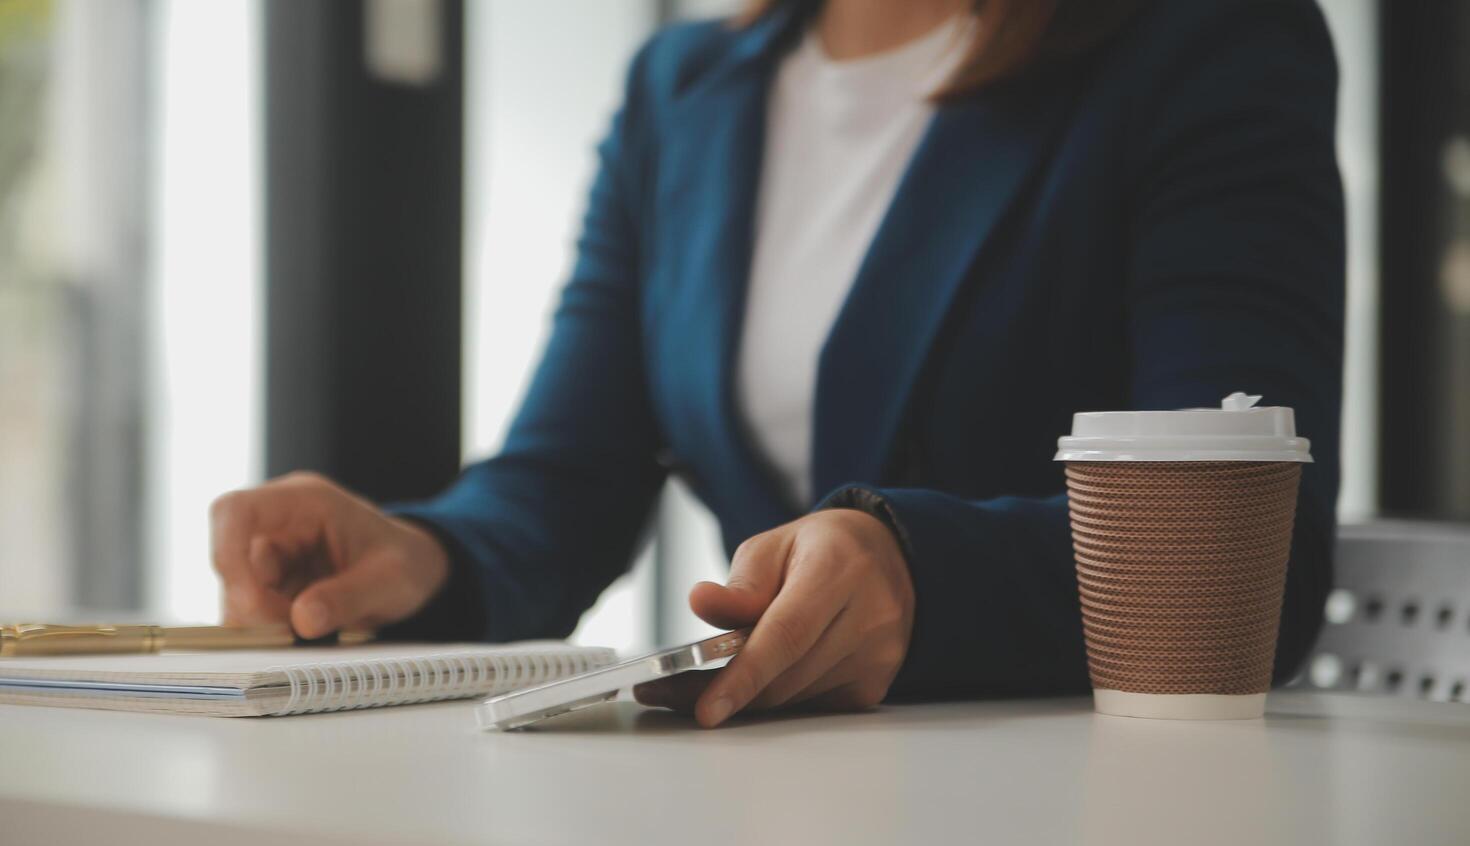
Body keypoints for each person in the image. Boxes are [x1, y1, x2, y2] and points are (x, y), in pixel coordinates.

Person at [210, 0, 1344, 728]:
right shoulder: (683, 90)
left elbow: (1252, 547)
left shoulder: (1205, 40)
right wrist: (421, 551)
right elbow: (565, 482)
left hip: (1072, 818)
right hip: (767, 810)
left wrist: (917, 569)